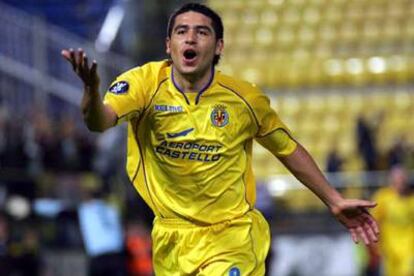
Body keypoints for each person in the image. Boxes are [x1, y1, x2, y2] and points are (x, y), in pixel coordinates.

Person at [62, 3, 379, 275]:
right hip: (172, 238)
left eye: (202, 32)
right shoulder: (143, 84)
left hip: (233, 236)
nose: (190, 37)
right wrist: (90, 90)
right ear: (168, 45)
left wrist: (333, 199)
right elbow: (99, 123)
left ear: (218, 47)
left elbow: (288, 149)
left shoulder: (245, 100)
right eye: (182, 31)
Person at [370, 166, 414, 276]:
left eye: (403, 181)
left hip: (409, 249)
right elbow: (374, 221)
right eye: (397, 181)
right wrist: (376, 244)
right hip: (389, 249)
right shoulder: (383, 197)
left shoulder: (411, 199)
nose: (400, 184)